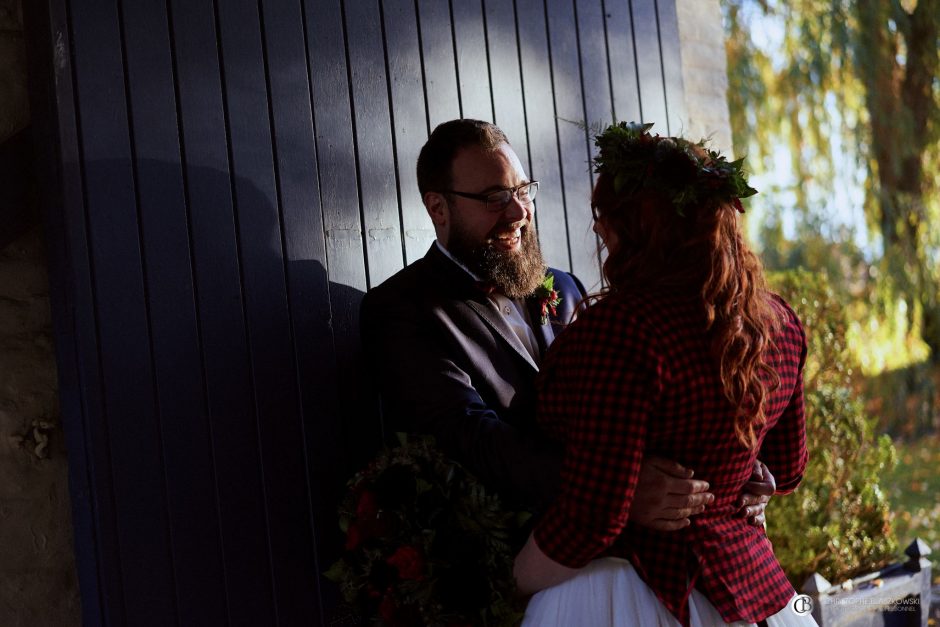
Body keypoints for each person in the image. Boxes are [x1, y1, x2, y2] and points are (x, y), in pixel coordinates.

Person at [360, 118, 773, 530]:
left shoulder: (564, 286)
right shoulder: (401, 309)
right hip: (518, 544)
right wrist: (620, 492)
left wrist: (730, 462)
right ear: (438, 208)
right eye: (495, 197)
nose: (519, 211)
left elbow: (635, 400)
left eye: (523, 190)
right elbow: (469, 439)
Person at [513, 122, 816, 626]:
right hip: (749, 587)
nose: (596, 229)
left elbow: (594, 517)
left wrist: (515, 579)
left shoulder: (623, 328)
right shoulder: (779, 324)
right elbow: (787, 467)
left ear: (642, 226)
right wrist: (739, 468)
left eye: (605, 215)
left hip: (624, 589)